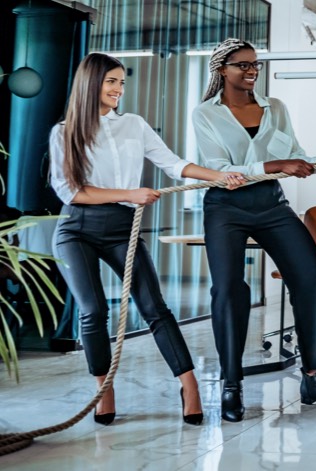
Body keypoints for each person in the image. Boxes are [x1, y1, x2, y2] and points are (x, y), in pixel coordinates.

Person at [49, 53, 246, 426]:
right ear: (91, 83)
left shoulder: (134, 125)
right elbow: (69, 192)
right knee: (92, 311)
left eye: (122, 82)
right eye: (112, 82)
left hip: (123, 227)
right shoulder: (64, 131)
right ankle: (104, 388)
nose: (119, 90)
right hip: (76, 228)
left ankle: (189, 385)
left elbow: (173, 163)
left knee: (154, 308)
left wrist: (219, 176)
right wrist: (130, 192)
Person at [192, 38, 316, 422]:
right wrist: (273, 165)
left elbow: (294, 153)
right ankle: (231, 383)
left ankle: (313, 377)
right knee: (229, 289)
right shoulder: (205, 114)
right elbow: (218, 167)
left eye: (255, 65)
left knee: (311, 274)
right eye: (242, 65)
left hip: (271, 204)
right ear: (221, 69)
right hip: (225, 206)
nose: (251, 71)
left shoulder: (274, 108)